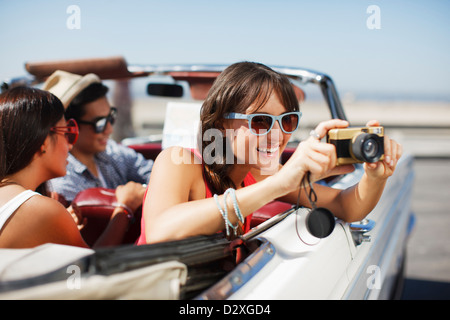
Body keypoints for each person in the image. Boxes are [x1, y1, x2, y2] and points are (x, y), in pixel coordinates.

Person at [137, 61, 402, 245]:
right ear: (220, 125)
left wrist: (375, 177)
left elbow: (346, 206)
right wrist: (279, 183)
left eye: (287, 121)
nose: (277, 135)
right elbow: (161, 231)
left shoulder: (261, 175)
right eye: (261, 121)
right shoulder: (179, 162)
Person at [0, 87, 137, 248]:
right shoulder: (44, 210)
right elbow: (90, 270)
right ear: (43, 143)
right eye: (67, 133)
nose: (70, 145)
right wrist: (124, 209)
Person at [42, 70, 153, 206]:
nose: (109, 129)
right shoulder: (62, 183)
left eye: (110, 117)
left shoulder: (111, 152)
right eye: (100, 123)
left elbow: (151, 172)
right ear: (69, 127)